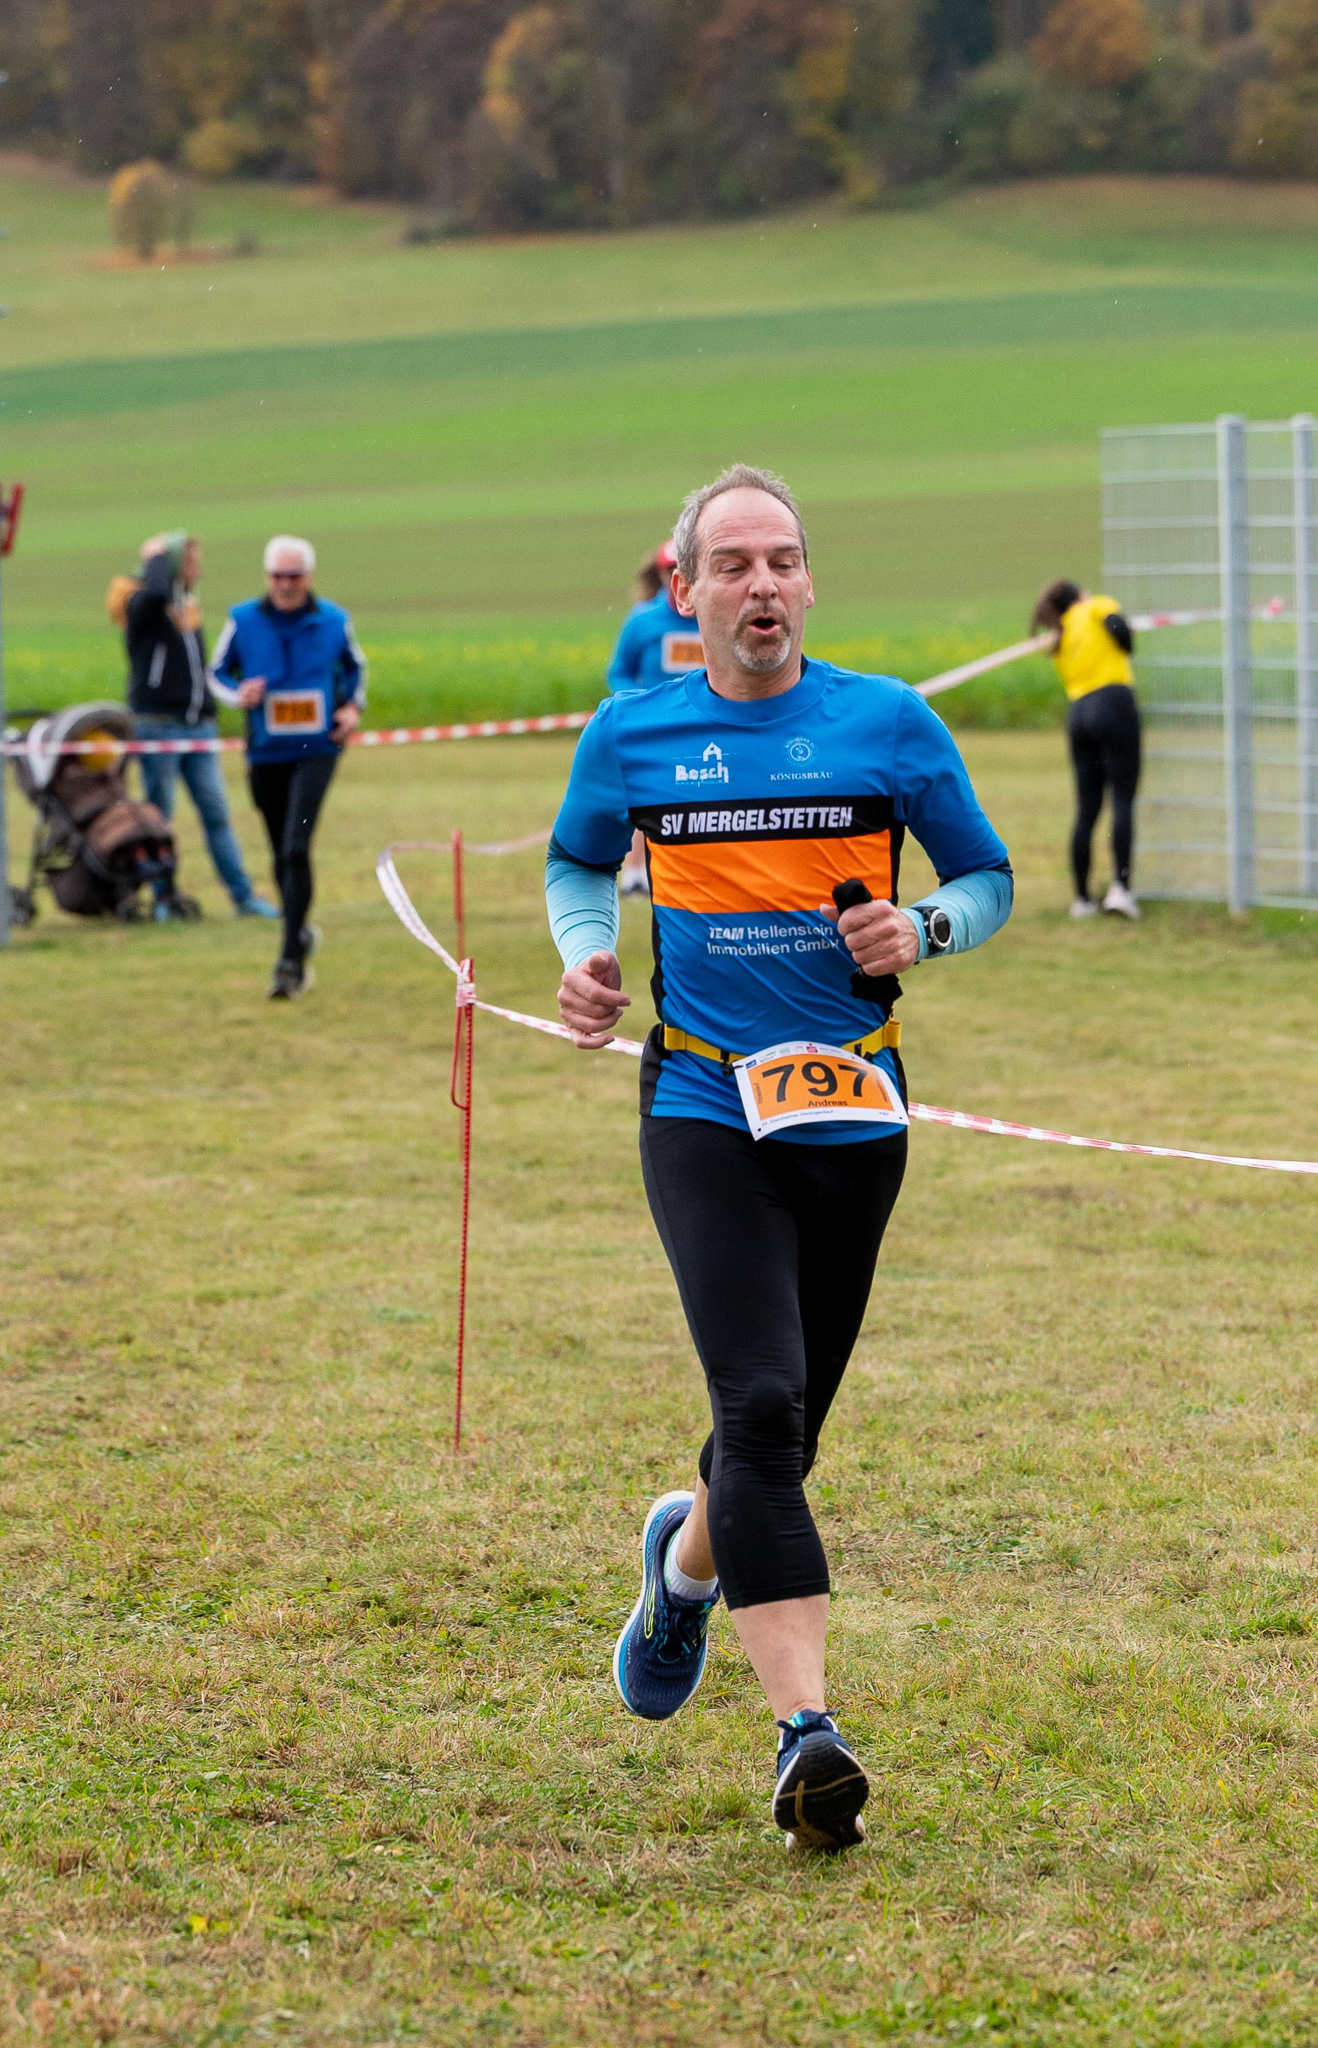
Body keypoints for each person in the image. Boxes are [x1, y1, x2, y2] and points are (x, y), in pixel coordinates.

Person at [547, 465, 1012, 1852]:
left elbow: (985, 878)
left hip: (852, 1105)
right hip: (701, 1100)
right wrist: (588, 953)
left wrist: (922, 930)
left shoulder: (889, 722)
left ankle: (684, 1567)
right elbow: (578, 863)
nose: (763, 585)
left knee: (782, 1430)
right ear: (682, 589)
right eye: (734, 563)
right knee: (756, 1407)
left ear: (808, 582)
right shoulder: (632, 733)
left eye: (784, 560)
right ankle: (807, 1734)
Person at [208, 536, 366, 998]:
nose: (285, 584)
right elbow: (216, 673)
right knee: (280, 853)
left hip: (317, 750)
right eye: (277, 576)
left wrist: (351, 709)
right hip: (265, 752)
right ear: (267, 577)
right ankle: (299, 931)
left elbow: (355, 669)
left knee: (297, 847)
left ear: (309, 576)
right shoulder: (242, 620)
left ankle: (289, 961)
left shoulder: (334, 620)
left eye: (294, 576)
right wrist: (239, 694)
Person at [120, 532, 276, 920]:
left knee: (216, 813)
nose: (199, 571)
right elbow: (156, 592)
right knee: (159, 820)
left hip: (198, 727)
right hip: (159, 726)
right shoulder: (141, 603)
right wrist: (157, 556)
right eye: (190, 562)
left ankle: (243, 897)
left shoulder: (186, 606)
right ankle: (163, 899)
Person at [1032, 579, 1141, 921]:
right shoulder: (1095, 606)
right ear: (1079, 595)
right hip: (1113, 703)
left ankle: (1081, 899)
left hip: (1079, 714)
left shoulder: (1061, 633)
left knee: (1087, 809)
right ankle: (1121, 890)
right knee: (1122, 798)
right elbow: (1123, 635)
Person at [607, 541, 707, 898]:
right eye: (671, 570)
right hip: (655, 727)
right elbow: (619, 671)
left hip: (704, 726)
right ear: (663, 574)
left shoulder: (714, 617)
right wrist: (638, 704)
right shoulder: (643, 621)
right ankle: (636, 874)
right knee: (646, 797)